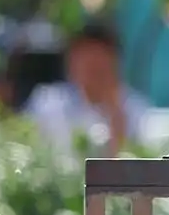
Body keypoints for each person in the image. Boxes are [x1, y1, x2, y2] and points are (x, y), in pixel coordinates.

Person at [23, 23, 150, 158]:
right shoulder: (47, 103)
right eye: (83, 59)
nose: (91, 68)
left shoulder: (138, 110)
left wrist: (117, 117)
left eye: (98, 60)